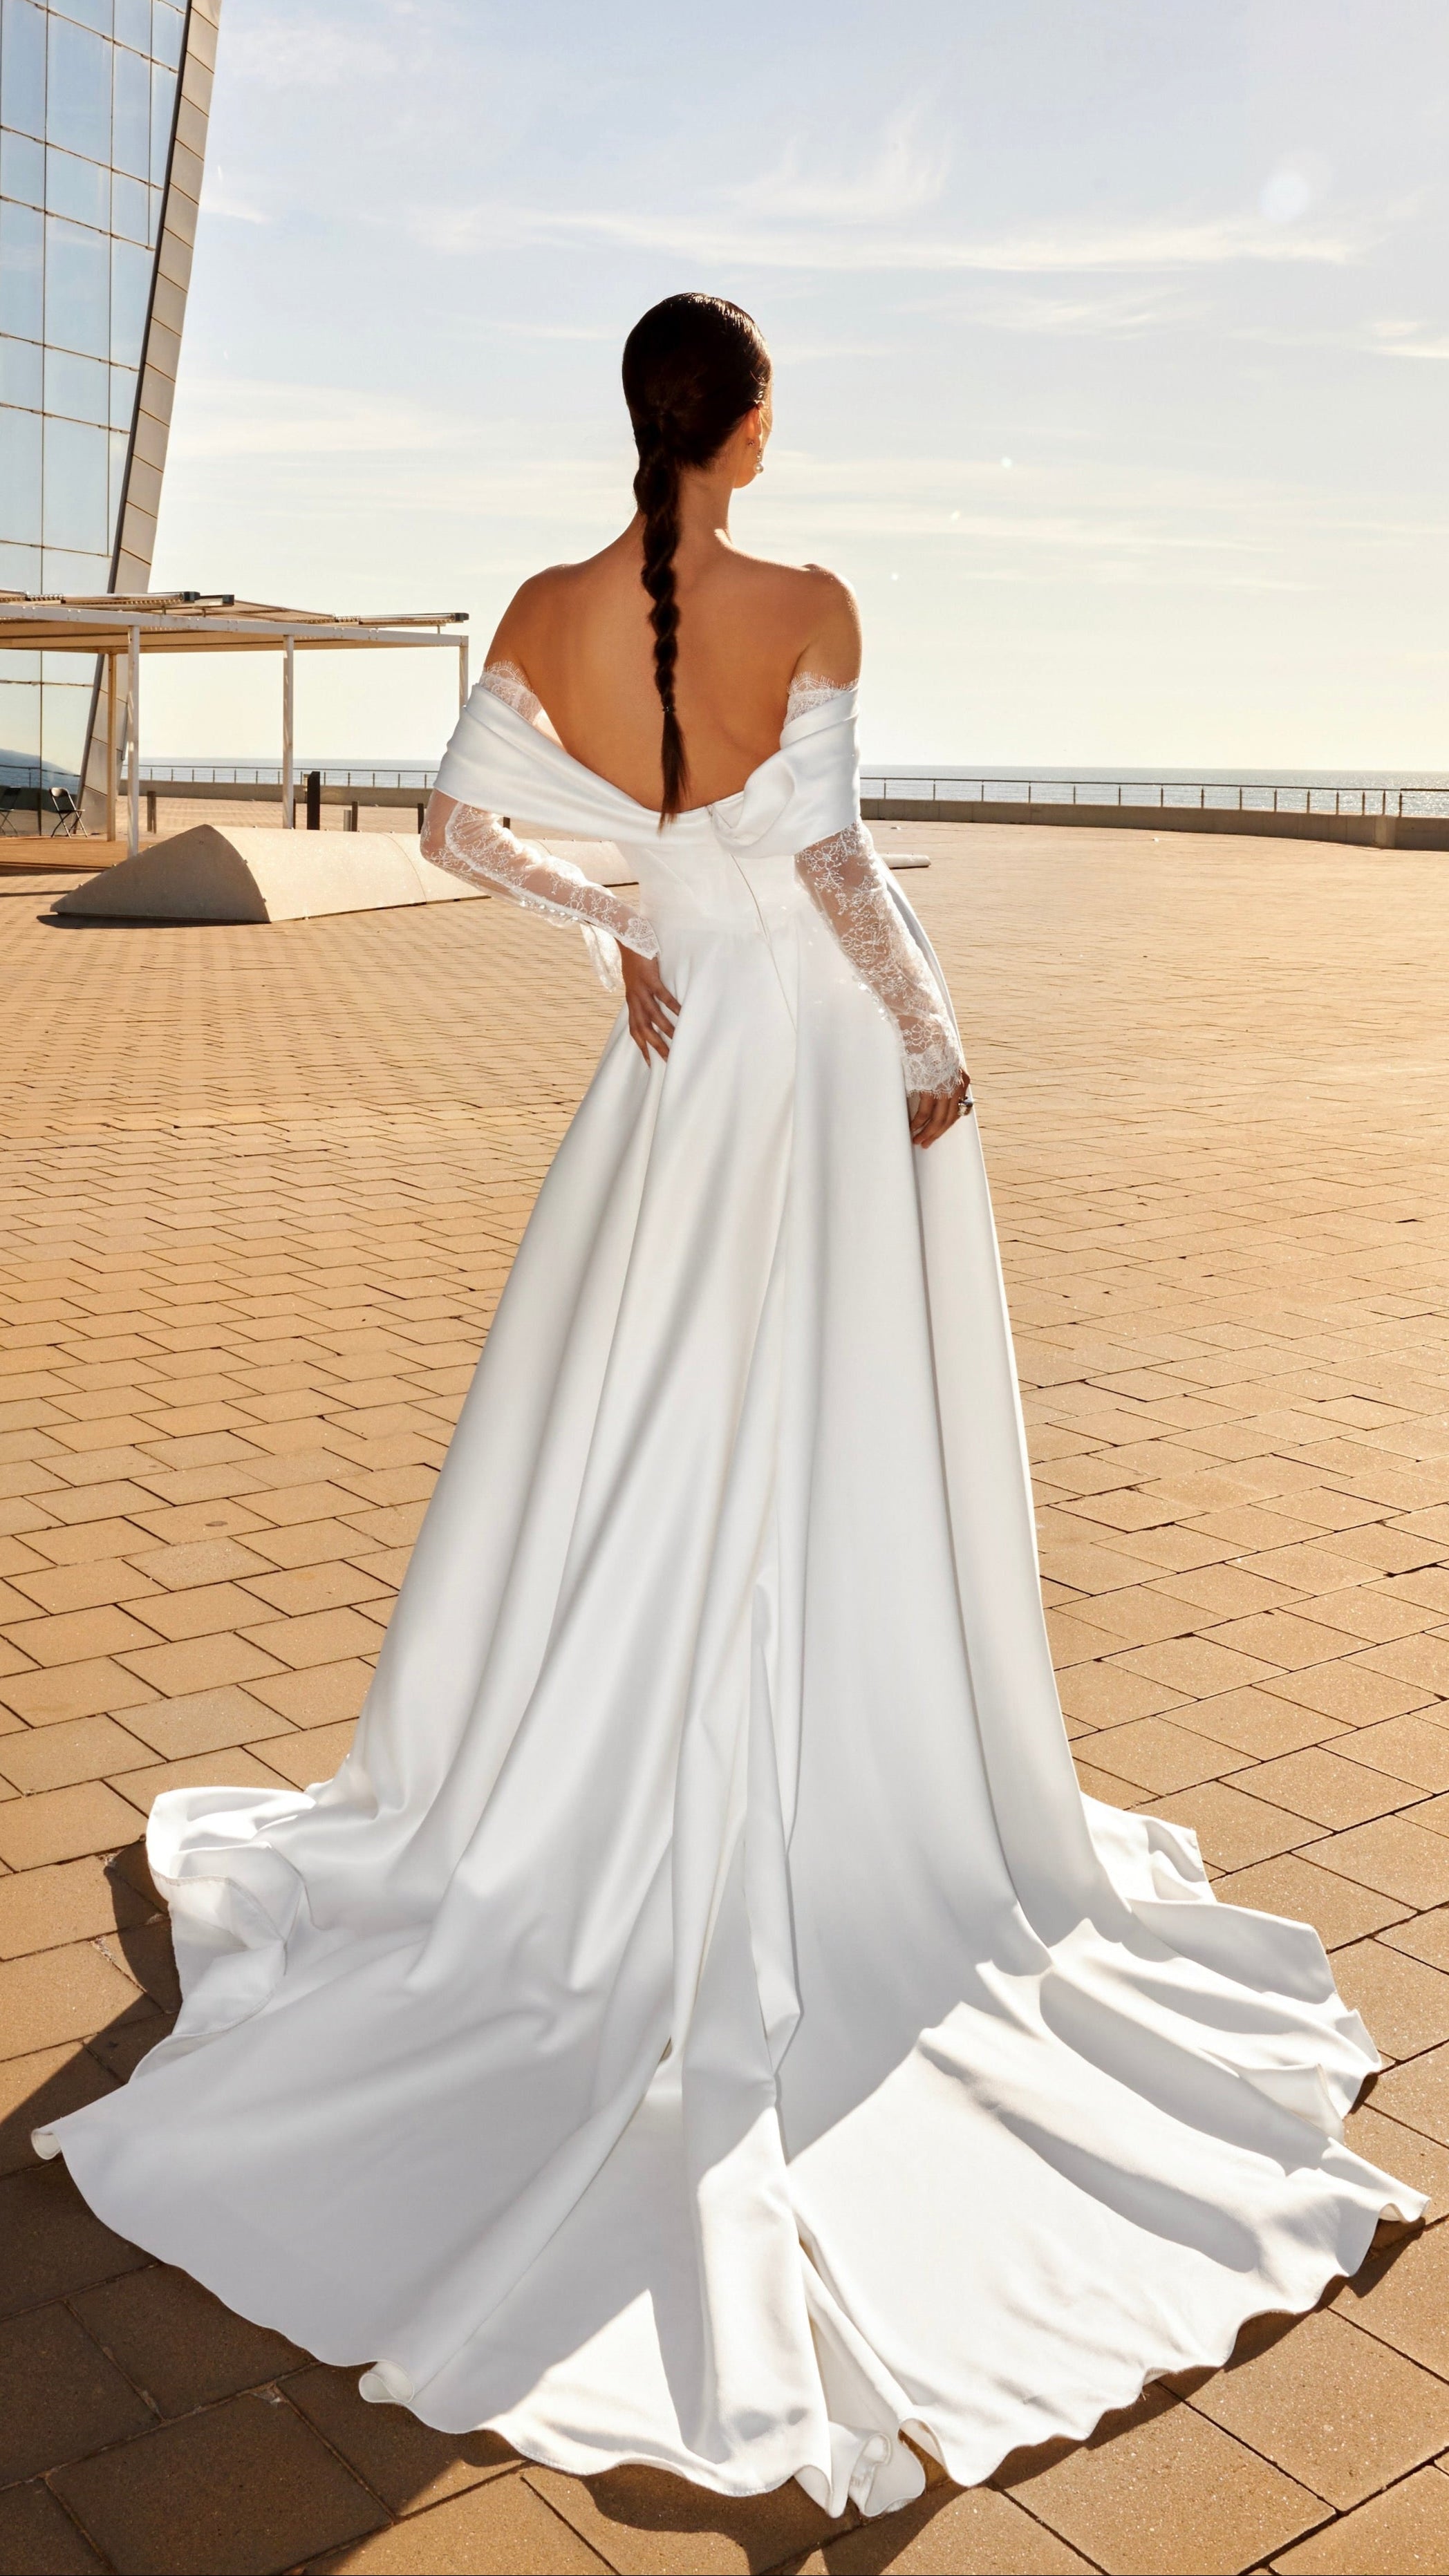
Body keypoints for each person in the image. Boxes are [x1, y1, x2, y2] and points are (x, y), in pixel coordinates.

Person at [38, 294, 1419, 2521]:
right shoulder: (816, 600)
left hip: (677, 1069)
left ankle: (588, 1799)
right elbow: (851, 872)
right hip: (805, 1060)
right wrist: (938, 1049)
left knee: (640, 1419)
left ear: (638, 420)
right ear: (750, 429)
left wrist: (622, 920)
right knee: (826, 1439)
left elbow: (451, 835)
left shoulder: (550, 610)